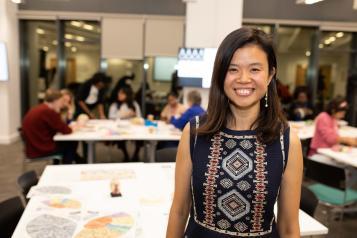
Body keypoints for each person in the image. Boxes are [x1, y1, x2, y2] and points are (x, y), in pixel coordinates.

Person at [166, 27, 302, 238]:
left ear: (270, 75)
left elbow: (289, 225)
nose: (244, 79)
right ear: (221, 75)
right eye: (233, 69)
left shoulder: (286, 141)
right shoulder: (194, 133)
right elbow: (179, 210)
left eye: (255, 69)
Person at [22, 89, 83, 164]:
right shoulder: (48, 112)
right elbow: (66, 131)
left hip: (32, 147)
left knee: (67, 143)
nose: (62, 105)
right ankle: (67, 166)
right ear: (56, 101)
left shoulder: (40, 108)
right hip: (39, 149)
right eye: (61, 102)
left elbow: (56, 127)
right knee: (71, 142)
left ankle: (61, 164)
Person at [108, 86, 142, 162]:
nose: (119, 95)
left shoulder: (134, 104)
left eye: (122, 93)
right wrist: (124, 115)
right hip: (119, 128)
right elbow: (111, 117)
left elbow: (139, 117)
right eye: (119, 93)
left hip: (133, 127)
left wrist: (134, 115)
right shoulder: (115, 105)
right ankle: (125, 154)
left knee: (141, 136)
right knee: (121, 138)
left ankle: (136, 153)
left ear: (127, 95)